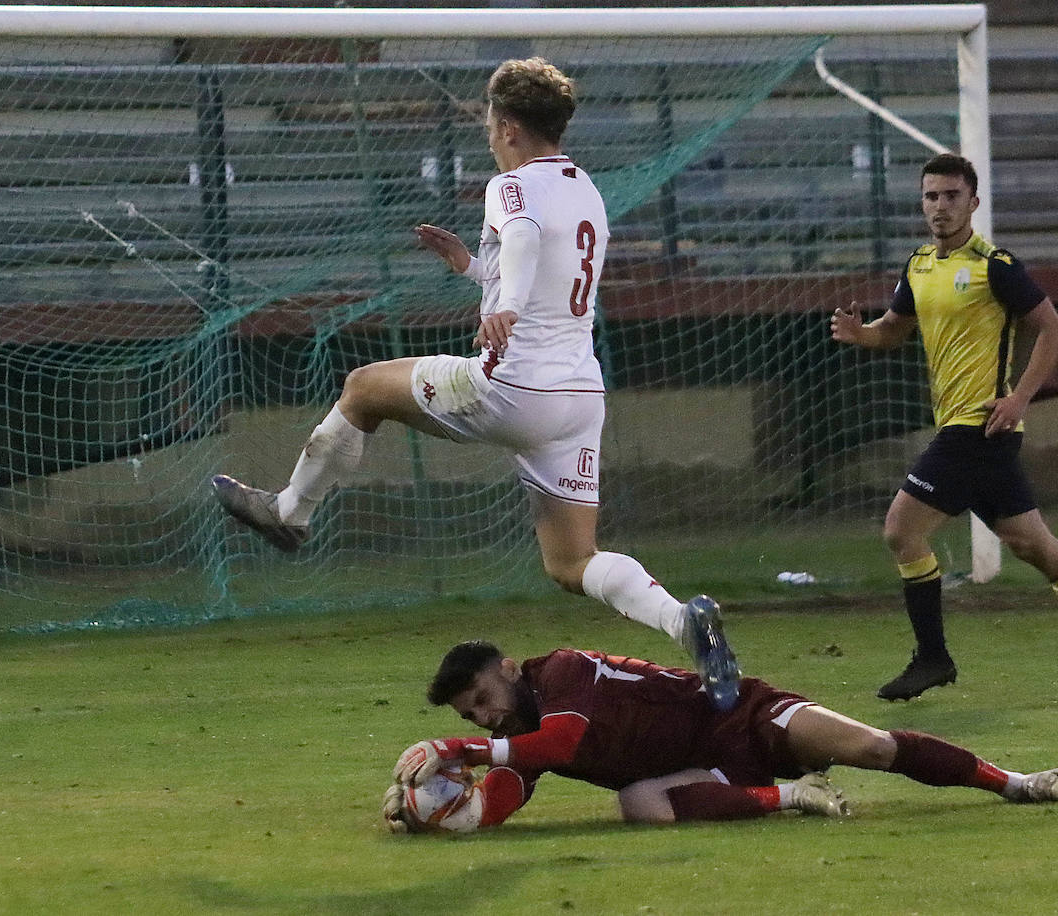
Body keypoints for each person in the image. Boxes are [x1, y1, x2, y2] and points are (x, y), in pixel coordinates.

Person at [212, 57, 737, 706]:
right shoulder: (585, 189)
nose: (488, 134)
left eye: (491, 123)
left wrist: (504, 303)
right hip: (577, 399)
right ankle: (684, 622)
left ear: (510, 127)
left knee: (363, 388)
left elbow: (519, 242)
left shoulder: (511, 186)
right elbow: (547, 271)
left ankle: (290, 512)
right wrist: (472, 269)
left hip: (511, 388)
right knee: (571, 563)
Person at [830, 152, 1058, 701]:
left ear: (972, 203)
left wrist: (1018, 398)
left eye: (952, 196)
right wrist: (862, 335)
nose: (940, 206)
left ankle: (933, 658)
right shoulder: (919, 265)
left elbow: (1052, 331)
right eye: (931, 196)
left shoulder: (994, 264)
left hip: (977, 427)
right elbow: (894, 330)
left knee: (901, 531)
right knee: (1031, 543)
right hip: (971, 430)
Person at [381, 635, 1058, 832]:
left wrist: (455, 751)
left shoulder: (562, 672)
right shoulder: (519, 732)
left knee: (872, 748)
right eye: (468, 718)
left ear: (508, 669)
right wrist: (447, 811)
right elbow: (509, 786)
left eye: (482, 700)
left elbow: (560, 746)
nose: (483, 718)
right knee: (637, 804)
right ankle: (795, 799)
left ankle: (1018, 783)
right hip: (698, 770)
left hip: (740, 715)